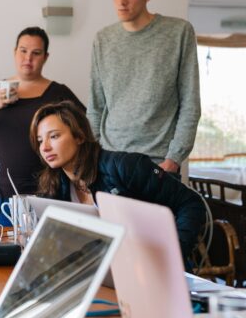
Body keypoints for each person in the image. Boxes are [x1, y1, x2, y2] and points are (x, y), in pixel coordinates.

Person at [29, 101, 206, 262]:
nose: (44, 147)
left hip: (150, 267)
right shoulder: (55, 186)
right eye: (39, 140)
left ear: (79, 136)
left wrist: (173, 254)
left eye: (53, 136)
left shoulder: (126, 167)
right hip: (103, 271)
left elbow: (191, 203)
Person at [88, 0, 200, 176]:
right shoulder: (103, 39)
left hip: (158, 164)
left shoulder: (178, 32)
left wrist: (174, 159)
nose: (121, 1)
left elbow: (190, 103)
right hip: (110, 161)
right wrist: (92, 158)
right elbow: (95, 107)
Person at [0, 26, 84, 199]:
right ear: (14, 51)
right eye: (23, 51)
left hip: (47, 193)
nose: (28, 58)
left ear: (45, 57)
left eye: (36, 53)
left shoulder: (59, 93)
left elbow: (85, 134)